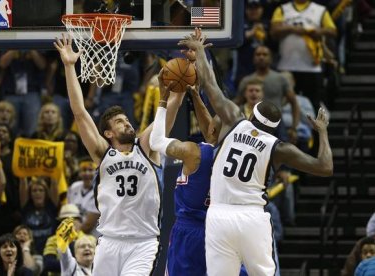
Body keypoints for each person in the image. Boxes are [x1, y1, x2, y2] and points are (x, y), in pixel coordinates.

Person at [178, 27, 333, 275]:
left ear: (252, 114)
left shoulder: (235, 119)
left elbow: (210, 85)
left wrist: (198, 51)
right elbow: (325, 168)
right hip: (252, 216)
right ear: (274, 127)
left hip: (219, 215)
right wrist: (322, 132)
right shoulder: (278, 147)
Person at [54, 34, 184, 275]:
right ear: (108, 132)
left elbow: (168, 114)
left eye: (126, 120)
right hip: (108, 241)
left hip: (143, 243)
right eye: (119, 122)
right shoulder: (102, 154)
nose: (127, 123)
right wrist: (70, 66)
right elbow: (79, 112)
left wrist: (181, 85)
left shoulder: (146, 147)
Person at [150, 76, 219, 275]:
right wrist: (196, 96)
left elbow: (155, 141)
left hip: (188, 231)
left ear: (211, 129)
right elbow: (212, 131)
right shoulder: (230, 152)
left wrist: (163, 99)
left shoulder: (193, 151)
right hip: (218, 230)